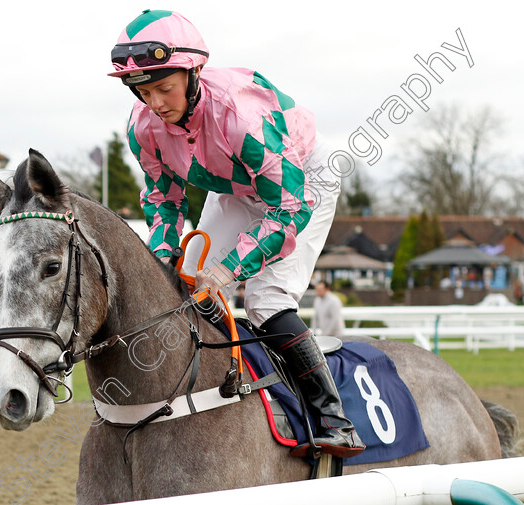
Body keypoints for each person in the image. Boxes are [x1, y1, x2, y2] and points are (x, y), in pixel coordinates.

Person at [109, 10, 363, 457]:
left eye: (165, 88)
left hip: (301, 182)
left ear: (194, 73)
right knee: (185, 281)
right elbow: (164, 200)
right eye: (144, 92)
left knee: (265, 301)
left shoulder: (240, 115)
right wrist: (163, 255)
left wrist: (229, 270)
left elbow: (287, 209)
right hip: (234, 185)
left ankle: (334, 419)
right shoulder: (143, 126)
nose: (156, 103)